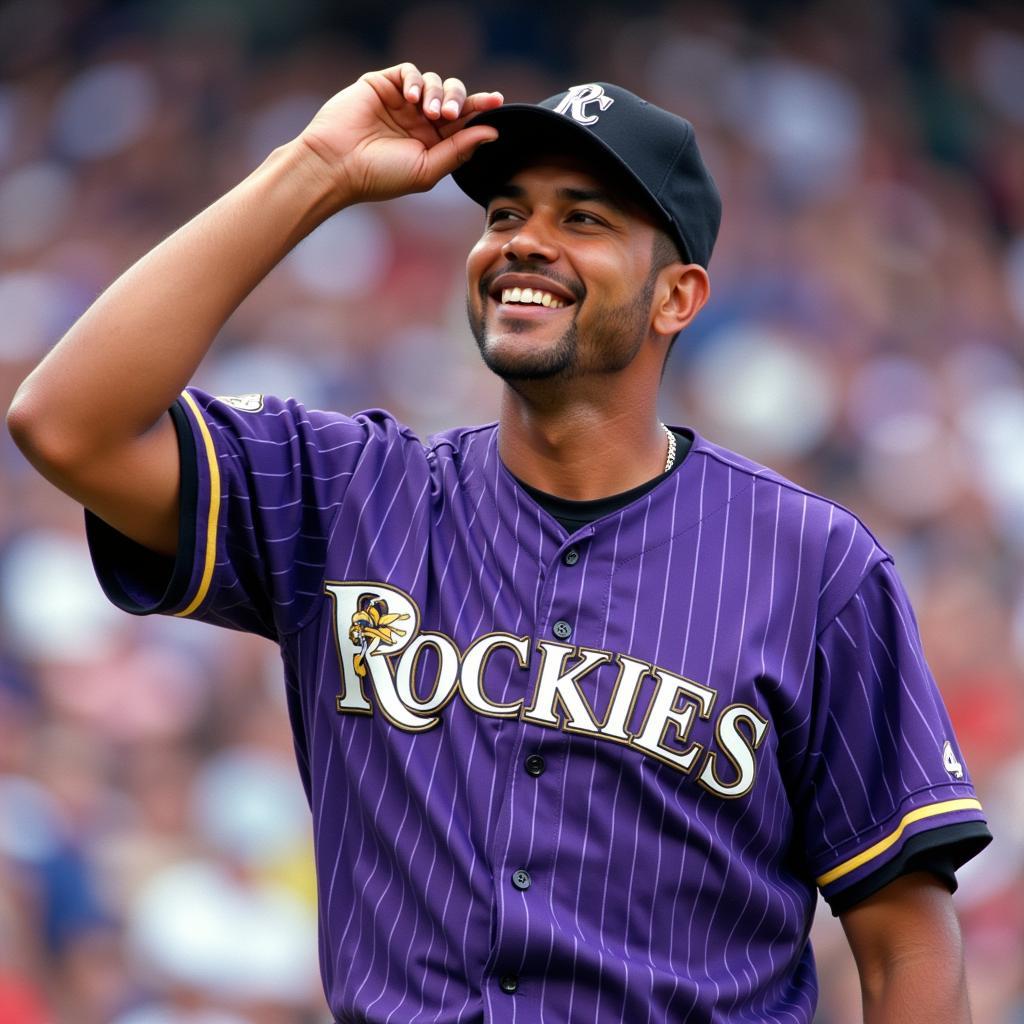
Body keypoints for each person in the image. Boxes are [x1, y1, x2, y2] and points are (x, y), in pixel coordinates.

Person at [8, 63, 991, 1023]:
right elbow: (66, 422)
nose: (524, 242)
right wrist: (314, 168)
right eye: (505, 213)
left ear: (677, 297)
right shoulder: (350, 493)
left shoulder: (814, 564)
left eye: (582, 218)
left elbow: (905, 939)